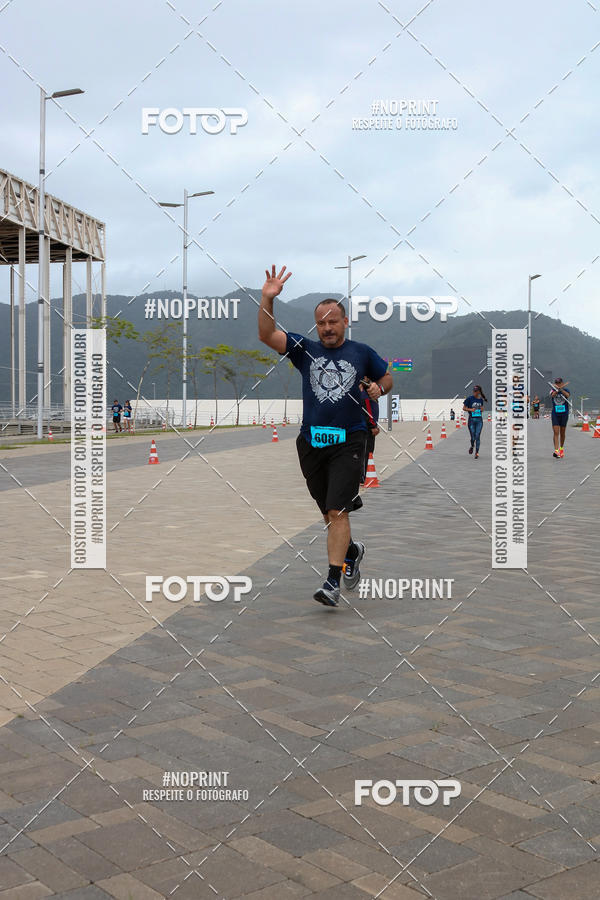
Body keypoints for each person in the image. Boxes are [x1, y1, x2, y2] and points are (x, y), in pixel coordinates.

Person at [258, 264, 392, 607]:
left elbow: (387, 377)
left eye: (333, 321)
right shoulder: (304, 350)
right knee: (328, 514)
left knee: (337, 510)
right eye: (321, 322)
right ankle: (352, 550)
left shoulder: (361, 352)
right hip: (312, 442)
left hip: (350, 439)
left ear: (345, 322)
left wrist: (378, 387)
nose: (327, 328)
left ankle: (332, 581)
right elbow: (267, 336)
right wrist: (267, 300)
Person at [359, 381, 380, 483]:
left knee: (368, 451)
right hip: (367, 428)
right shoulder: (365, 395)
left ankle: (366, 474)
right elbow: (368, 412)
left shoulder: (369, 393)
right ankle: (363, 477)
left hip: (369, 426)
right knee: (366, 452)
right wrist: (373, 426)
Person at [463, 385, 487, 458]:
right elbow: (464, 408)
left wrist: (481, 409)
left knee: (477, 436)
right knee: (473, 437)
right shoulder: (469, 399)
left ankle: (477, 453)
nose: (475, 392)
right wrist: (471, 410)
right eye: (474, 391)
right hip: (471, 420)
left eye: (476, 391)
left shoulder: (480, 400)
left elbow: (482, 409)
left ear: (479, 392)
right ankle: (472, 445)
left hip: (479, 420)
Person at [550, 377, 570, 458]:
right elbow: (552, 395)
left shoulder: (566, 390)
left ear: (562, 383)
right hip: (555, 413)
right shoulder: (552, 390)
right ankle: (556, 451)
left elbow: (567, 395)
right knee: (556, 432)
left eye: (559, 383)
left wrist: (561, 389)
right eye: (556, 383)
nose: (558, 384)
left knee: (562, 433)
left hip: (564, 413)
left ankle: (561, 448)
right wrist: (556, 390)